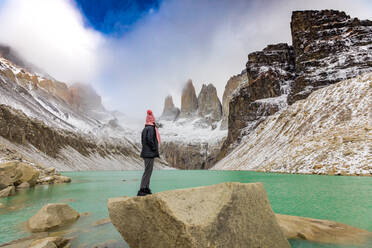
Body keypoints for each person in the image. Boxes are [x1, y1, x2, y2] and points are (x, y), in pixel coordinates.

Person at [137, 110, 161, 196]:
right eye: (154, 120)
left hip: (146, 153)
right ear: (152, 120)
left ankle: (146, 188)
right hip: (149, 153)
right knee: (148, 171)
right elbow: (149, 139)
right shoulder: (151, 129)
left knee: (148, 171)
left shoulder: (145, 128)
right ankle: (143, 189)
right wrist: (154, 148)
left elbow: (143, 141)